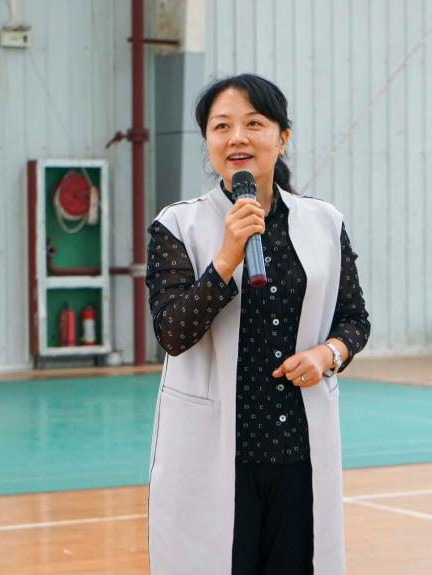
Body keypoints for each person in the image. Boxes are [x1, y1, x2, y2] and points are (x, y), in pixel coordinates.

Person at [145, 73, 370, 575]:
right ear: (208, 141)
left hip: (298, 450)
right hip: (214, 450)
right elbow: (173, 333)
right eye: (221, 126)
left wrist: (327, 355)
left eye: (253, 124)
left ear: (281, 137)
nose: (237, 138)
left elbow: (354, 319)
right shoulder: (177, 225)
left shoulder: (324, 222)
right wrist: (226, 257)